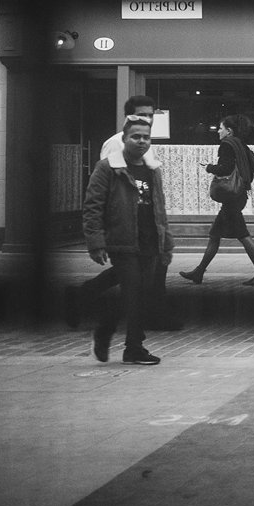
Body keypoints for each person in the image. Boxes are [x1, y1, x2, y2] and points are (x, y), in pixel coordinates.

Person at [67, 95, 181, 331]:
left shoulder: (146, 144)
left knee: (139, 274)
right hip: (125, 228)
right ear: (128, 117)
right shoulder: (115, 143)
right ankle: (140, 320)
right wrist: (98, 238)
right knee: (133, 276)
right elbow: (102, 191)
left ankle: (85, 298)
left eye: (150, 115)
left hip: (147, 226)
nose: (146, 119)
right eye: (141, 115)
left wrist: (163, 230)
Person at [81, 115, 173, 365]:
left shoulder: (152, 169)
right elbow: (93, 206)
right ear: (124, 138)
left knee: (138, 294)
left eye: (146, 137)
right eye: (136, 136)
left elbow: (159, 207)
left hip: (149, 241)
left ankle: (106, 328)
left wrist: (166, 242)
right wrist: (96, 241)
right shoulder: (108, 167)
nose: (142, 141)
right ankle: (133, 347)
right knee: (134, 293)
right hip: (122, 241)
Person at [179, 114, 254, 286]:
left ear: (229, 131)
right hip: (238, 196)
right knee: (215, 235)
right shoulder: (240, 144)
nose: (218, 131)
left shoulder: (227, 144)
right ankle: (199, 272)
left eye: (220, 128)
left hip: (232, 199)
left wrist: (209, 167)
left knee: (243, 235)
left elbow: (225, 169)